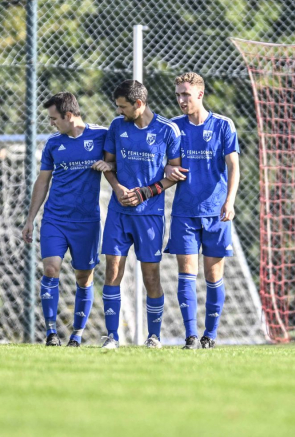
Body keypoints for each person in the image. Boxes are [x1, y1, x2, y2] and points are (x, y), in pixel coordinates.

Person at [22, 92, 112, 347]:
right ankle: (51, 333)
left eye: (54, 118)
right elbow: (43, 180)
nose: (51, 123)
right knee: (50, 269)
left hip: (87, 222)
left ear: (69, 116)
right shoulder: (53, 144)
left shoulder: (101, 135)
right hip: (55, 219)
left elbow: (118, 163)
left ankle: (77, 335)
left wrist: (110, 166)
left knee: (84, 277)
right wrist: (31, 219)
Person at [99, 79, 183, 349]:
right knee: (112, 271)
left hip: (150, 215)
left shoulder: (168, 130)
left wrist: (147, 192)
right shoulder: (116, 126)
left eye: (123, 106)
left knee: (151, 276)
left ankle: (154, 337)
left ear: (139, 103)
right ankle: (111, 337)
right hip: (118, 212)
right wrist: (117, 187)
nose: (119, 111)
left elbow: (175, 174)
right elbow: (108, 164)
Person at [163, 72, 239, 349]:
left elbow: (233, 166)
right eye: (178, 94)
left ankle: (210, 335)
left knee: (213, 275)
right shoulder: (173, 128)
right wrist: (167, 168)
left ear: (200, 94)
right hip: (184, 212)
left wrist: (229, 201)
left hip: (216, 212)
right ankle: (191, 336)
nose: (181, 99)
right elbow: (163, 164)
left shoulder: (223, 125)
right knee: (186, 273)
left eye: (186, 94)